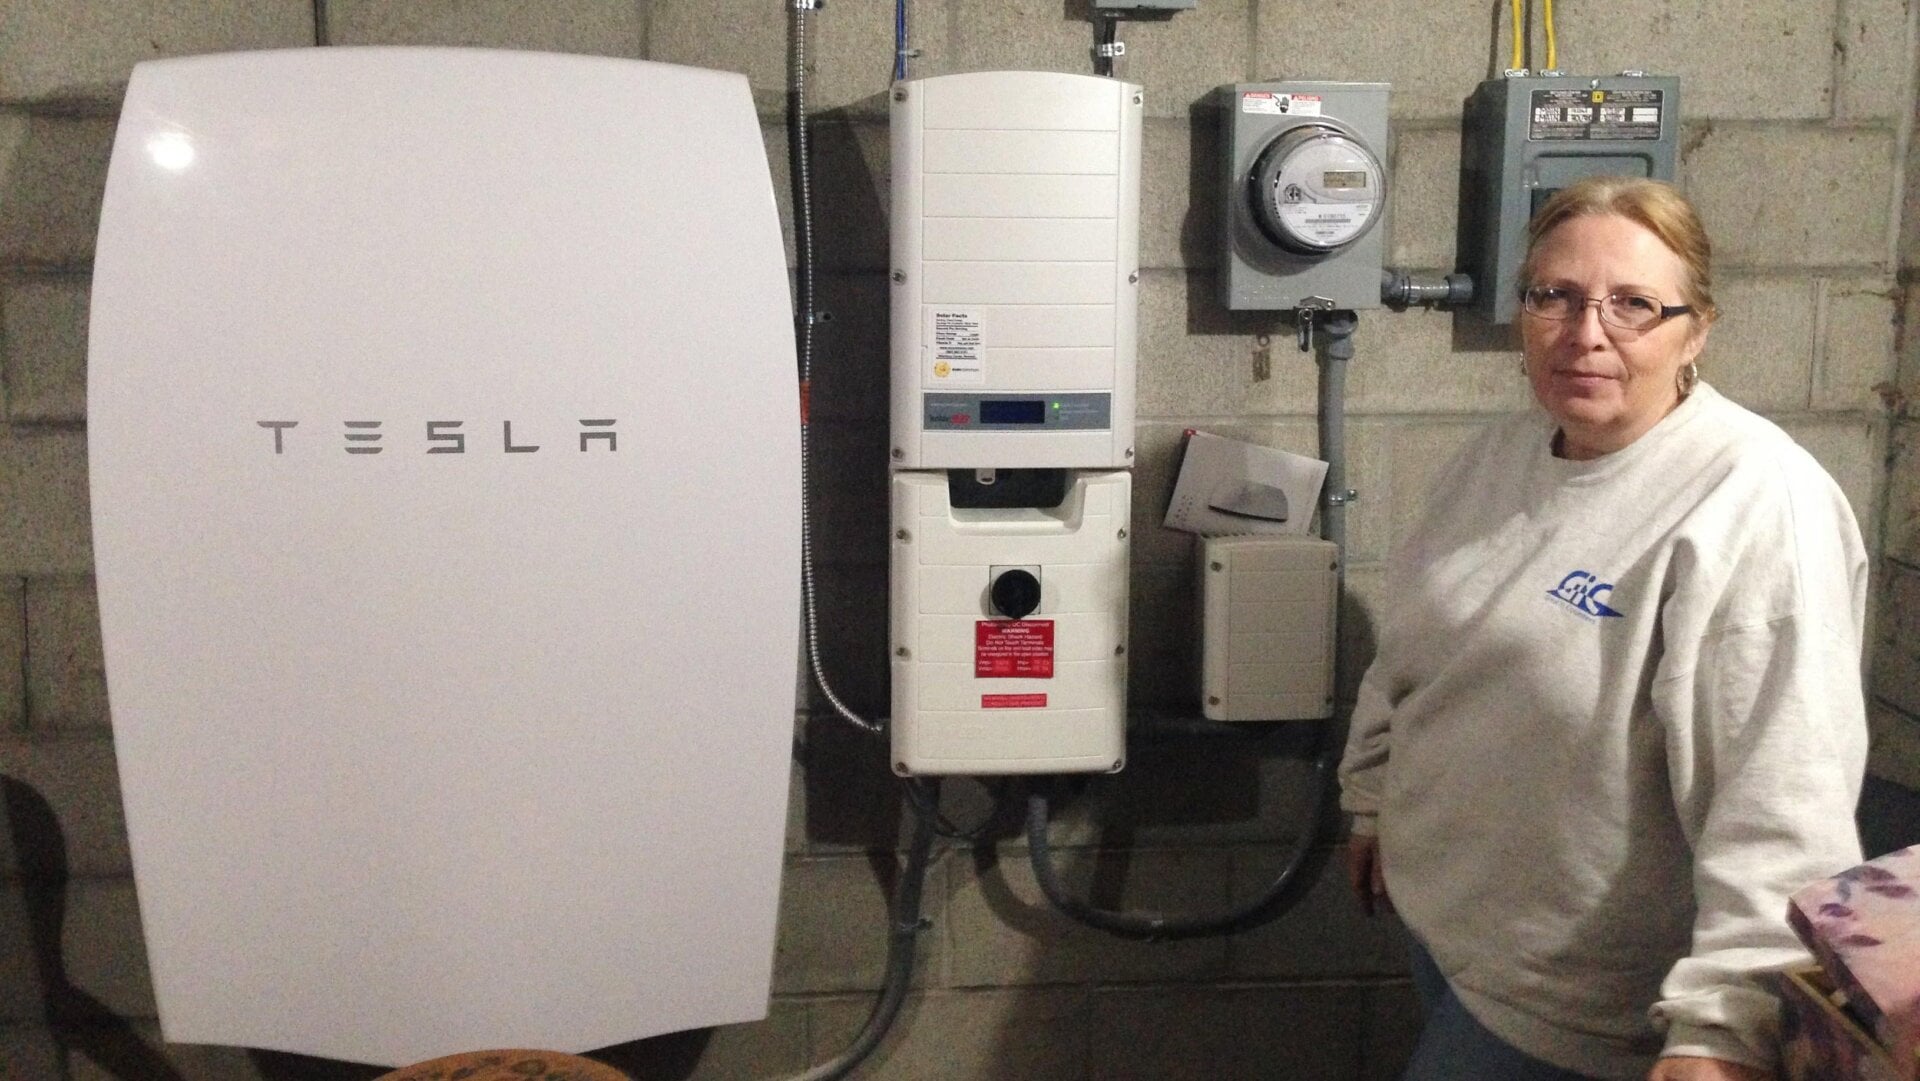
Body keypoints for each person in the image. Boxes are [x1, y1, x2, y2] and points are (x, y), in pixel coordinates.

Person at [1338, 176, 1868, 1081]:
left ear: (1696, 329)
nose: (1588, 334)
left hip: (1578, 997)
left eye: (1634, 305)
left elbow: (1782, 793)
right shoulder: (1499, 456)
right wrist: (1374, 792)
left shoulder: (1755, 502)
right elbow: (1416, 652)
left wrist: (1726, 1025)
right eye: (1557, 297)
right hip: (1449, 926)